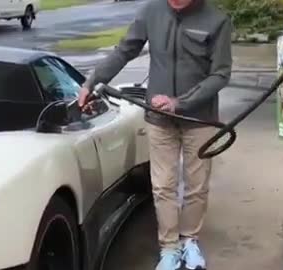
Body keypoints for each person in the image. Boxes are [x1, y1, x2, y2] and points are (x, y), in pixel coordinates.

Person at [77, 0, 233, 269]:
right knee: (163, 186)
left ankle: (189, 241)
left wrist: (179, 102)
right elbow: (124, 50)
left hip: (198, 118)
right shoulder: (151, 12)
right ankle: (169, 248)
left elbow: (220, 74)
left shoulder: (216, 20)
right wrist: (92, 81)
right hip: (158, 117)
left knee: (196, 185)